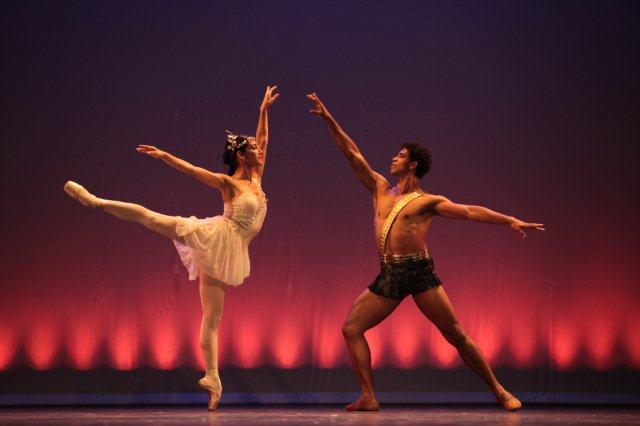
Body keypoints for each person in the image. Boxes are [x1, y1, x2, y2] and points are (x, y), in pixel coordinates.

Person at [307, 92, 544, 412]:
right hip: (390, 274)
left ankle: (500, 391)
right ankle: (368, 396)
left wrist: (510, 220)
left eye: (400, 155)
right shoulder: (379, 188)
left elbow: (471, 211)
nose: (393, 158)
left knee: (456, 334)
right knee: (351, 329)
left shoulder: (426, 201)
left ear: (412, 163)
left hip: (418, 272)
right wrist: (329, 119)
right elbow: (352, 154)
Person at [63, 86, 279, 411]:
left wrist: (263, 110)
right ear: (239, 156)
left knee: (212, 318)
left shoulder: (257, 178)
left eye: (257, 149)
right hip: (215, 238)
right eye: (251, 149)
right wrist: (164, 155)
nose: (259, 151)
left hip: (230, 252)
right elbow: (193, 171)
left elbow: (263, 140)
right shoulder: (229, 183)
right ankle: (96, 201)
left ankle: (213, 378)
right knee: (152, 219)